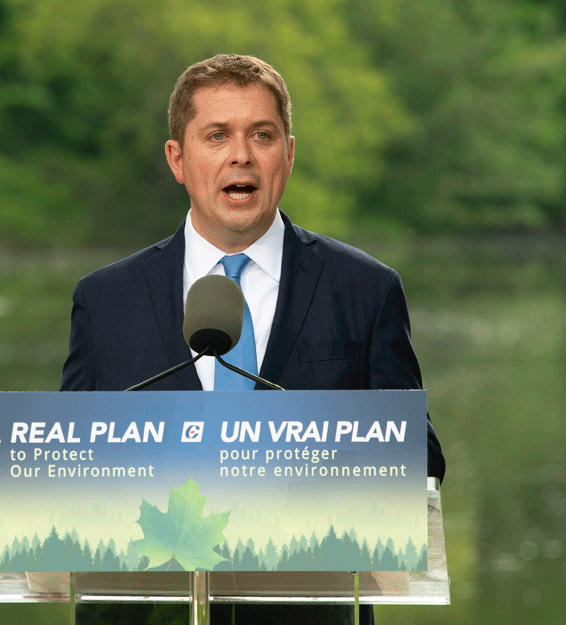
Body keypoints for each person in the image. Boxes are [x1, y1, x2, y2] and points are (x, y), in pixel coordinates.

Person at [61, 54, 446, 625]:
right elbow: (66, 471)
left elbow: (421, 459)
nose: (240, 154)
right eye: (216, 135)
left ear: (287, 155)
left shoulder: (365, 290)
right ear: (177, 159)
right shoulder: (105, 300)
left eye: (261, 135)